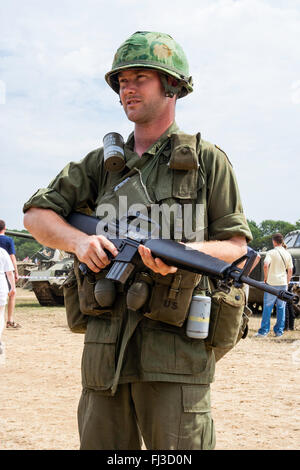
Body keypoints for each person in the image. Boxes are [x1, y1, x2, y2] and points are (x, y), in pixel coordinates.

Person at [23, 31, 252, 450]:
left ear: (172, 86)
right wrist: (79, 243)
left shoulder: (207, 161)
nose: (127, 88)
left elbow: (236, 248)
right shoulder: (100, 166)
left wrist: (184, 257)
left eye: (140, 77)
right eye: (121, 80)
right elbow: (36, 215)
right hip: (105, 355)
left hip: (176, 356)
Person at [255, 233, 293, 338]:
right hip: (283, 283)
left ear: (274, 241)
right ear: (282, 241)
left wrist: (266, 278)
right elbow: (290, 270)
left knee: (267, 307)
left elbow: (266, 265)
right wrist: (288, 281)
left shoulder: (271, 252)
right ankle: (279, 332)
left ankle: (263, 332)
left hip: (271, 283)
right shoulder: (287, 253)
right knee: (281, 308)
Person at [0, 219, 20, 329]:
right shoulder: (8, 240)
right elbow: (12, 256)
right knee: (12, 294)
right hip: (5, 271)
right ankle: (10, 320)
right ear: (5, 228)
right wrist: (16, 271)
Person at [0, 247, 16, 354]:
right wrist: (13, 287)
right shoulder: (2, 251)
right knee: (0, 314)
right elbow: (9, 273)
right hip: (1, 285)